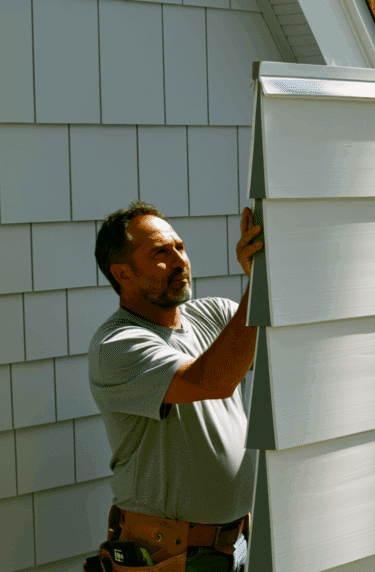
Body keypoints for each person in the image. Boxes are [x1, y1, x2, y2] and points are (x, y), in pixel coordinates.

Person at [86, 200, 264, 572]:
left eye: (180, 248)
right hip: (169, 556)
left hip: (237, 543)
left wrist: (269, 259)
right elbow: (210, 380)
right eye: (160, 253)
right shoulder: (118, 345)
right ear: (124, 274)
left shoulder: (215, 314)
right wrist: (260, 284)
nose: (180, 260)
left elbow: (277, 336)